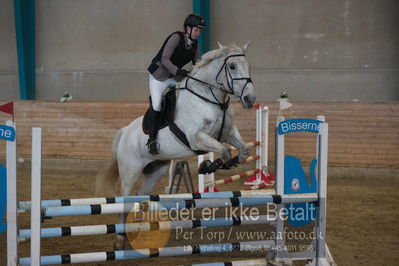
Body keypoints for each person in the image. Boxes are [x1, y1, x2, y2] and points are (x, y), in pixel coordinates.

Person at [146, 13, 205, 155]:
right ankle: (152, 140)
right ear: (188, 28)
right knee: (157, 104)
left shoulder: (195, 45)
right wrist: (179, 71)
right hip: (159, 77)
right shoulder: (176, 37)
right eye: (197, 30)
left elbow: (197, 64)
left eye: (200, 31)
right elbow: (165, 59)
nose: (198, 33)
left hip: (174, 78)